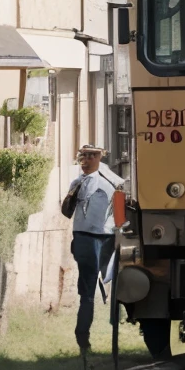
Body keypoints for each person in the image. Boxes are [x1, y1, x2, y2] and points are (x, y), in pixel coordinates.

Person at [64, 144, 123, 356]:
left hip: (105, 237)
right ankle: (83, 338)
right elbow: (66, 211)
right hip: (84, 237)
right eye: (84, 156)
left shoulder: (112, 181)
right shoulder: (78, 181)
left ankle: (107, 332)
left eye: (91, 156)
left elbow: (120, 217)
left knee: (112, 284)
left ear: (99, 157)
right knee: (87, 290)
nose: (86, 160)